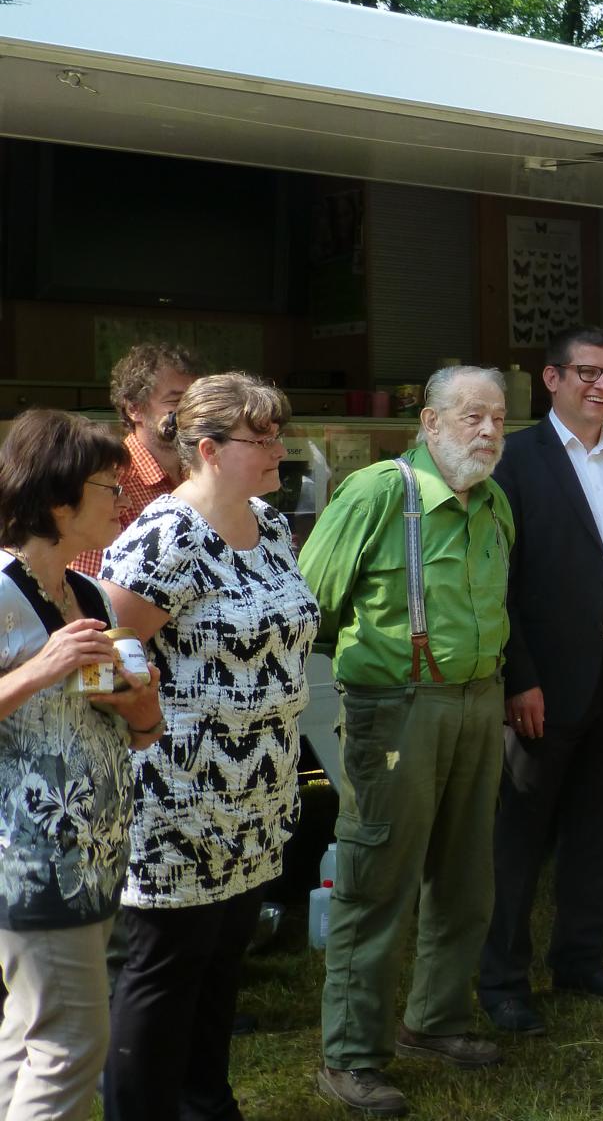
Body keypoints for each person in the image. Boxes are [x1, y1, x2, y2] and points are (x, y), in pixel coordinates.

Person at [99, 374, 320, 1119]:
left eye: (278, 435)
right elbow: (104, 653)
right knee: (164, 974)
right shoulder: (166, 537)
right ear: (208, 450)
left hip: (256, 794)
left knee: (223, 962)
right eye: (263, 440)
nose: (280, 452)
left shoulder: (270, 524)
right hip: (180, 797)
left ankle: (205, 1103)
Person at [300, 366, 515, 1116]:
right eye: (470, 417)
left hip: (479, 702)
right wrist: (383, 675)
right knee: (375, 881)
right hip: (396, 710)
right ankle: (351, 1056)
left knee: (465, 877)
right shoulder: (378, 492)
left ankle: (437, 1021)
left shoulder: (494, 503)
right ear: (429, 423)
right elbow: (310, 605)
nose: (487, 431)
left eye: (497, 418)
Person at [477, 329, 603, 1035]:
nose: (601, 386)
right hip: (545, 683)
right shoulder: (516, 460)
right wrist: (518, 679)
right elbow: (496, 583)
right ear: (552, 378)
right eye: (587, 373)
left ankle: (580, 960)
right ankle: (501, 980)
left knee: (602, 827)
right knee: (520, 834)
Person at [0, 410, 163, 1121]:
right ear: (62, 502)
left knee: (27, 1042)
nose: (123, 501)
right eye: (109, 486)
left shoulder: (89, 594)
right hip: (31, 864)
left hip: (94, 858)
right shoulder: (3, 594)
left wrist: (140, 706)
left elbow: (137, 731)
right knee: (71, 1047)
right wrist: (42, 669)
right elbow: (38, 686)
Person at [69, 343, 201, 577]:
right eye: (176, 401)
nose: (190, 412)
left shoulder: (202, 474)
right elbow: (88, 584)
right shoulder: (109, 479)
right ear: (134, 409)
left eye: (194, 401)